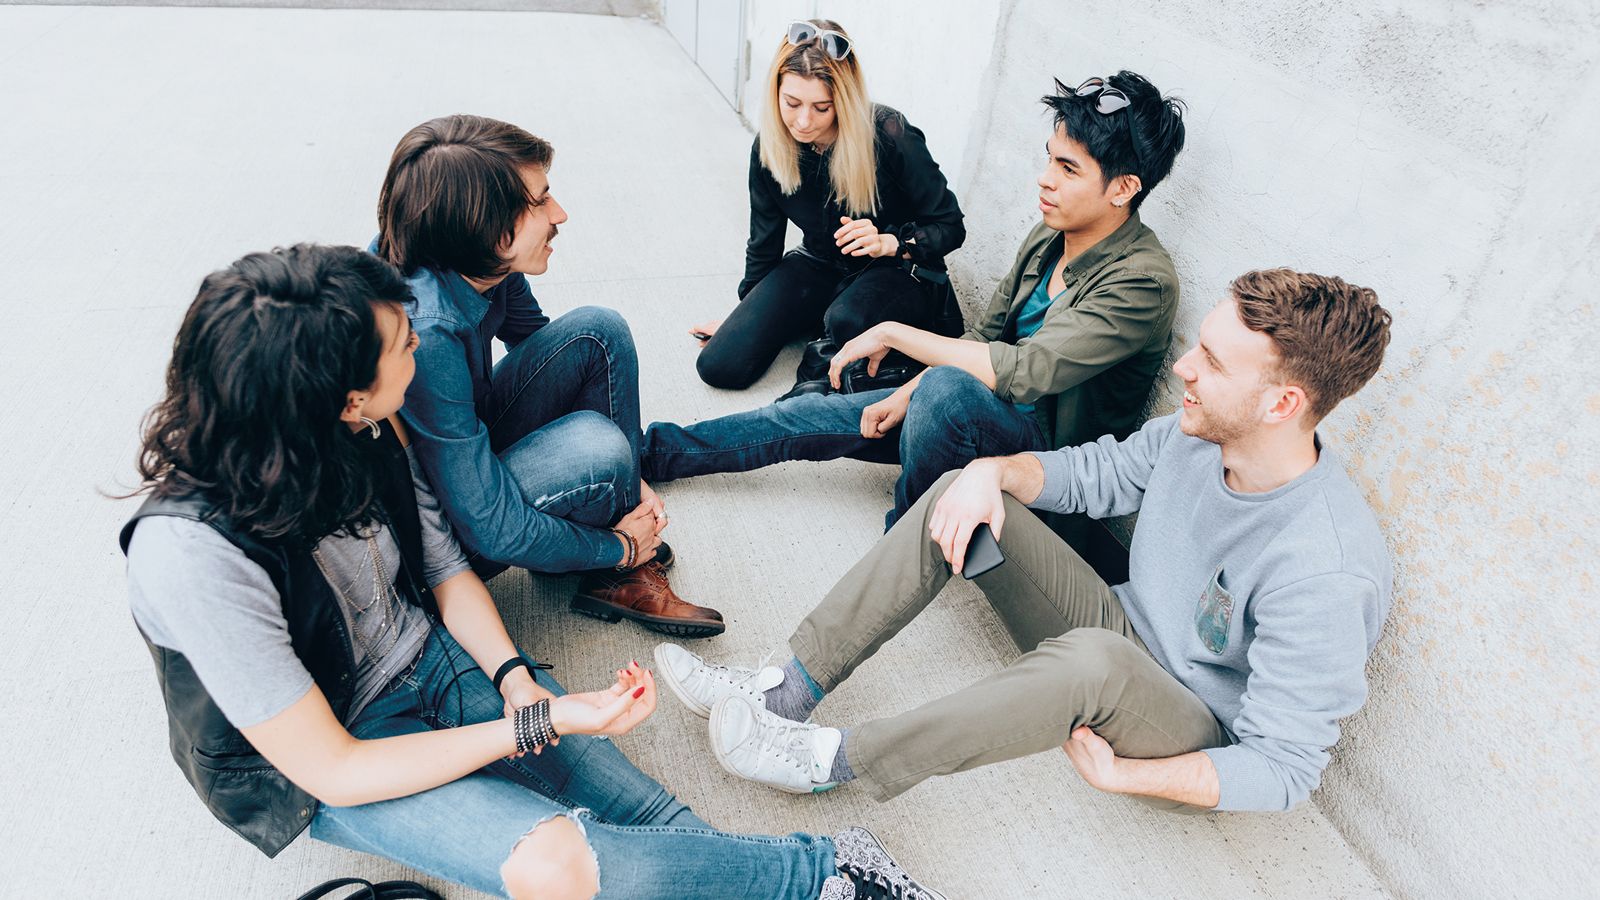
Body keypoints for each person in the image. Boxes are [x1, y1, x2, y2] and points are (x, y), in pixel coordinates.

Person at [119, 245, 946, 900]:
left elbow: (444, 571)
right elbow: (329, 766)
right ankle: (827, 872)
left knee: (641, 811)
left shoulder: (365, 428)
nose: (422, 343)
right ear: (343, 399)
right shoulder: (192, 556)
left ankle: (794, 887)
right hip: (336, 745)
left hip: (430, 658)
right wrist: (538, 726)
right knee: (559, 864)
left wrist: (517, 679)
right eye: (405, 344)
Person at [655, 269, 1394, 814]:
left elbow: (1284, 769)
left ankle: (829, 760)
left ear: (1284, 403)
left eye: (1213, 362)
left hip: (1188, 726)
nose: (1184, 369)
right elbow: (1100, 472)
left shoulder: (1324, 569)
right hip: (1120, 630)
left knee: (1096, 661)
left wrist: (1127, 777)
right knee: (964, 492)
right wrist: (993, 470)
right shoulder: (1196, 435)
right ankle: (785, 693)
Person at [648, 72, 1187, 532]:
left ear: (1123, 189)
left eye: (1069, 169)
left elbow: (1025, 373)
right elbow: (983, 336)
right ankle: (651, 452)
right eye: (1050, 160)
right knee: (805, 417)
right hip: (969, 412)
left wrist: (894, 337)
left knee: (945, 387)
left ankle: (904, 537)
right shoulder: (1051, 237)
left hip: (1040, 455)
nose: (1044, 180)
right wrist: (907, 393)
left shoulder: (1142, 282)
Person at [376, 115, 724, 637]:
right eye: (539, 201)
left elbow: (548, 350)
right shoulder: (424, 332)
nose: (560, 213)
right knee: (597, 451)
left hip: (465, 452)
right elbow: (487, 526)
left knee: (597, 332)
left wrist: (632, 481)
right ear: (485, 227)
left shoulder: (480, 260)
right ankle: (617, 563)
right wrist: (620, 543)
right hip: (443, 531)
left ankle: (612, 528)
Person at [691, 19, 967, 396]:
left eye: (822, 107)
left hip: (896, 270)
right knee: (719, 366)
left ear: (844, 100)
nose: (803, 121)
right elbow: (764, 243)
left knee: (834, 342)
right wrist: (749, 314)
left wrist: (891, 242)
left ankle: (832, 335)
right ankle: (826, 323)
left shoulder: (889, 134)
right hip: (820, 264)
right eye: (791, 103)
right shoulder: (769, 149)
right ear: (775, 94)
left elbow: (950, 225)